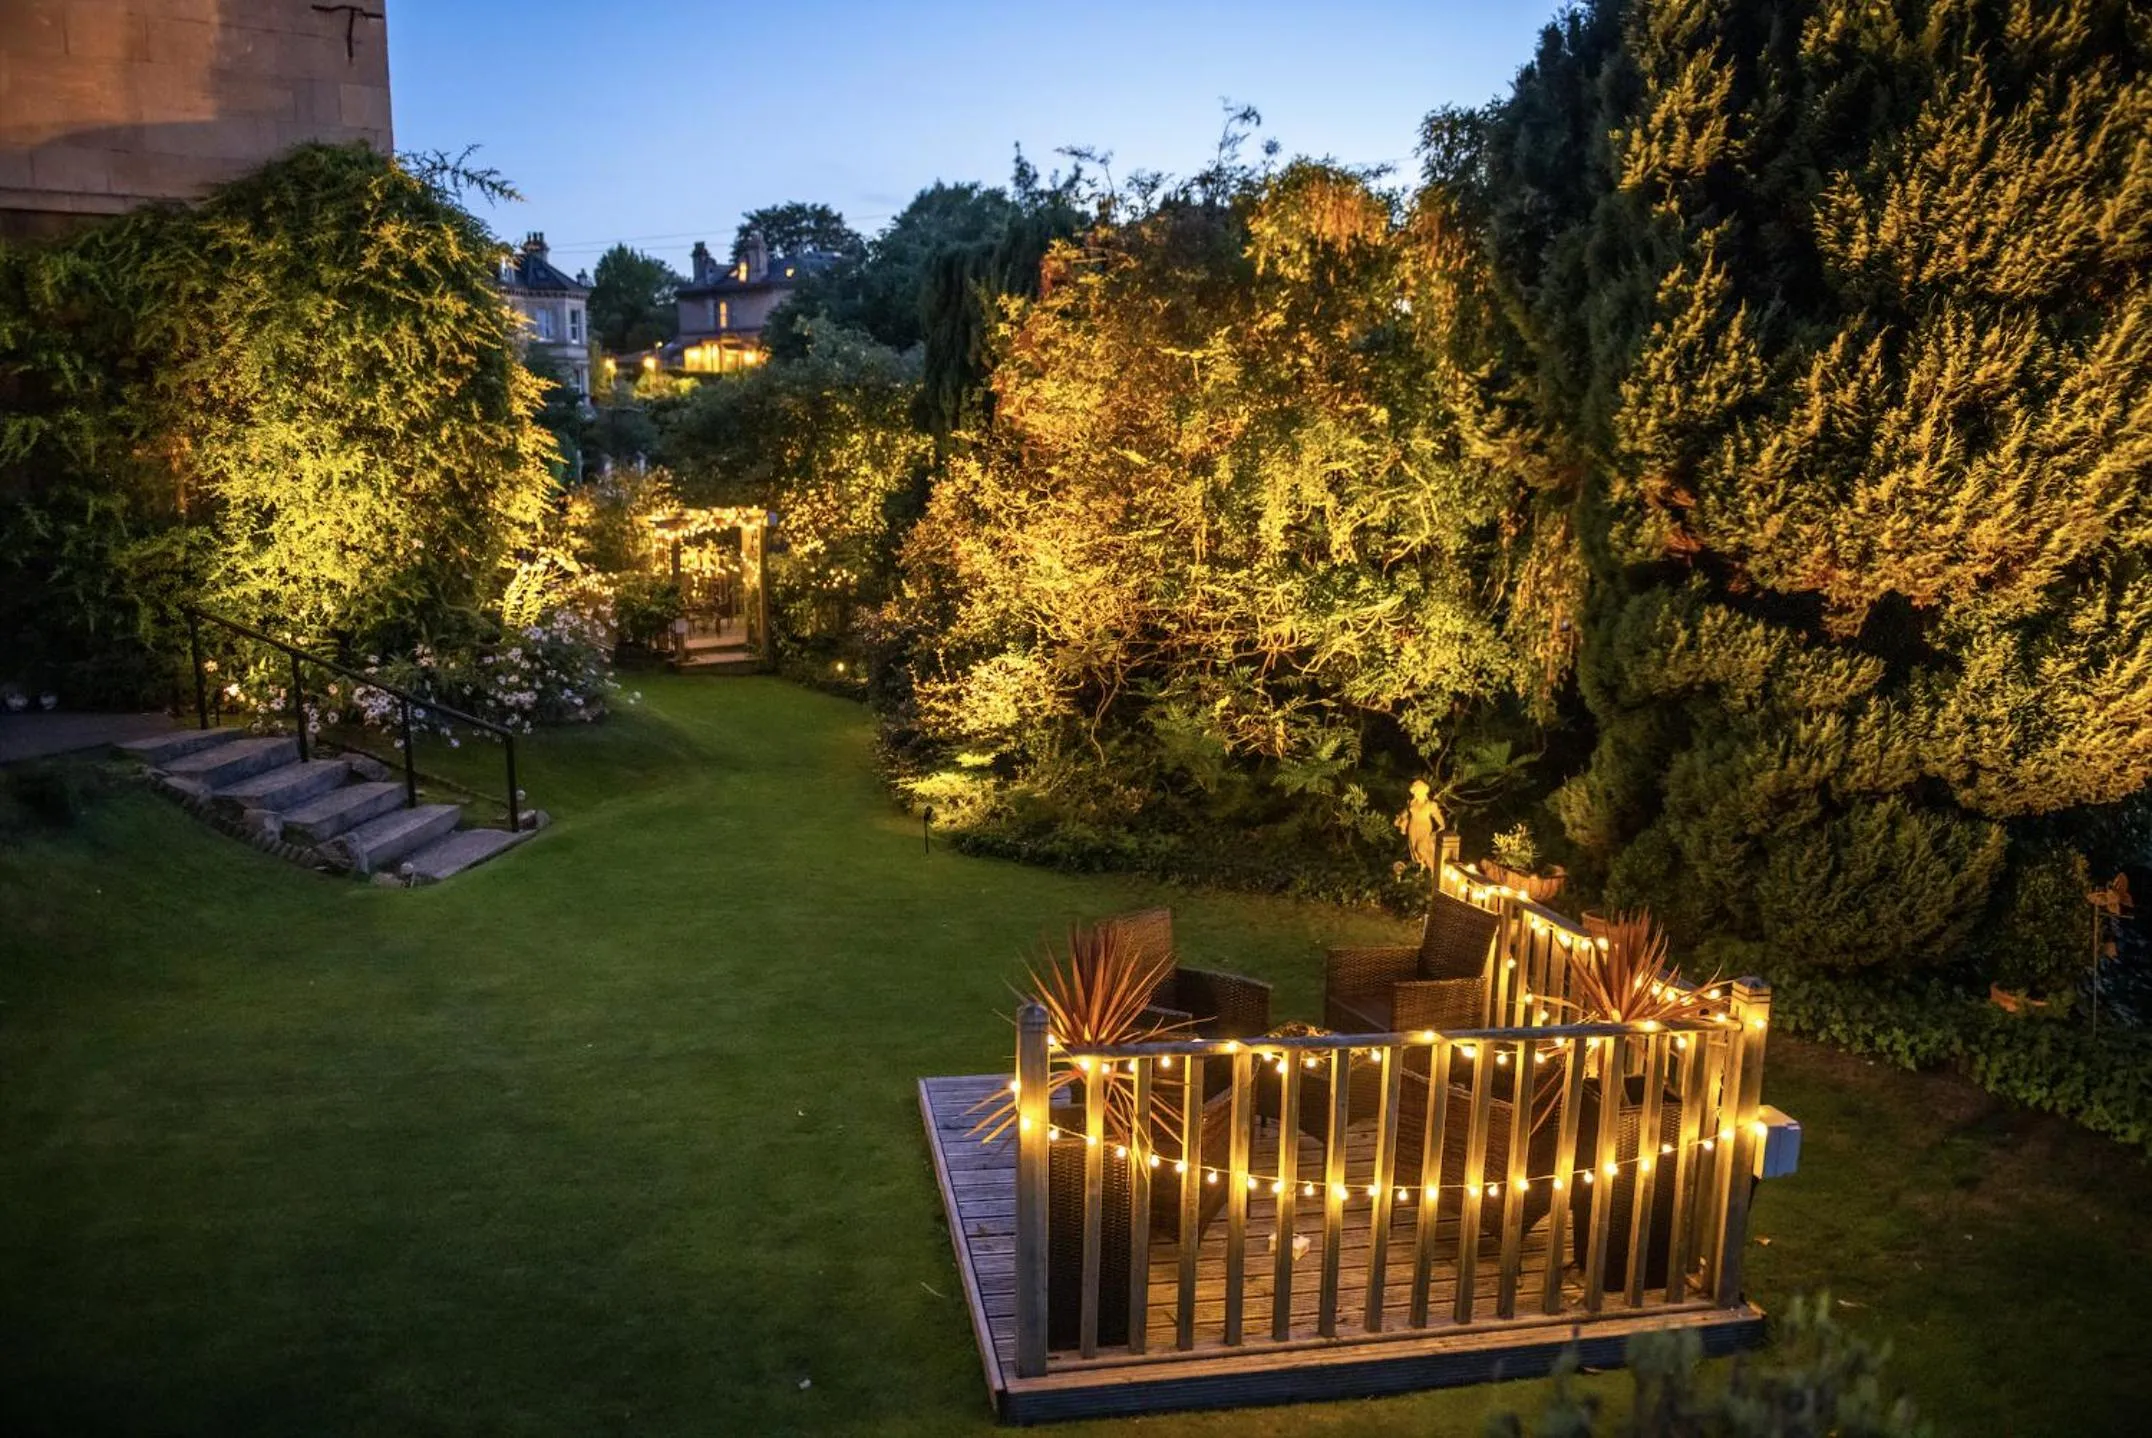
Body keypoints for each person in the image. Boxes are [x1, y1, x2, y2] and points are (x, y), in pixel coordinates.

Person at [1395, 778, 1445, 874]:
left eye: (1417, 791)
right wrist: (1400, 819)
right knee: (1416, 852)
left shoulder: (1430, 804)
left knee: (1422, 848)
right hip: (1413, 828)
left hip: (1424, 828)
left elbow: (1437, 816)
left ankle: (1434, 870)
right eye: (1414, 792)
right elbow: (1405, 813)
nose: (1415, 794)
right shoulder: (1412, 803)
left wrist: (1442, 826)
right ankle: (1423, 869)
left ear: (1423, 791)